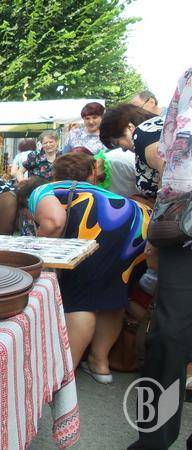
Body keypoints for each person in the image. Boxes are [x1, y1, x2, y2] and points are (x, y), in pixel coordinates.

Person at [18, 152, 150, 379]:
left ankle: (63, 374)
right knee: (111, 298)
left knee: (79, 300)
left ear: (54, 175)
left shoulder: (44, 189)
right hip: (139, 229)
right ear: (91, 175)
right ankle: (100, 364)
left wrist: (37, 253)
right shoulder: (100, 192)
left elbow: (53, 222)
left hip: (103, 231)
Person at [129, 68, 192, 450]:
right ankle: (151, 440)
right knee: (168, 336)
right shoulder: (188, 79)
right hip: (181, 226)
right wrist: (159, 228)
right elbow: (168, 156)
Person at [99, 104, 164, 203]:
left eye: (118, 143)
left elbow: (170, 178)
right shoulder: (157, 127)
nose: (123, 149)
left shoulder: (142, 137)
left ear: (129, 127)